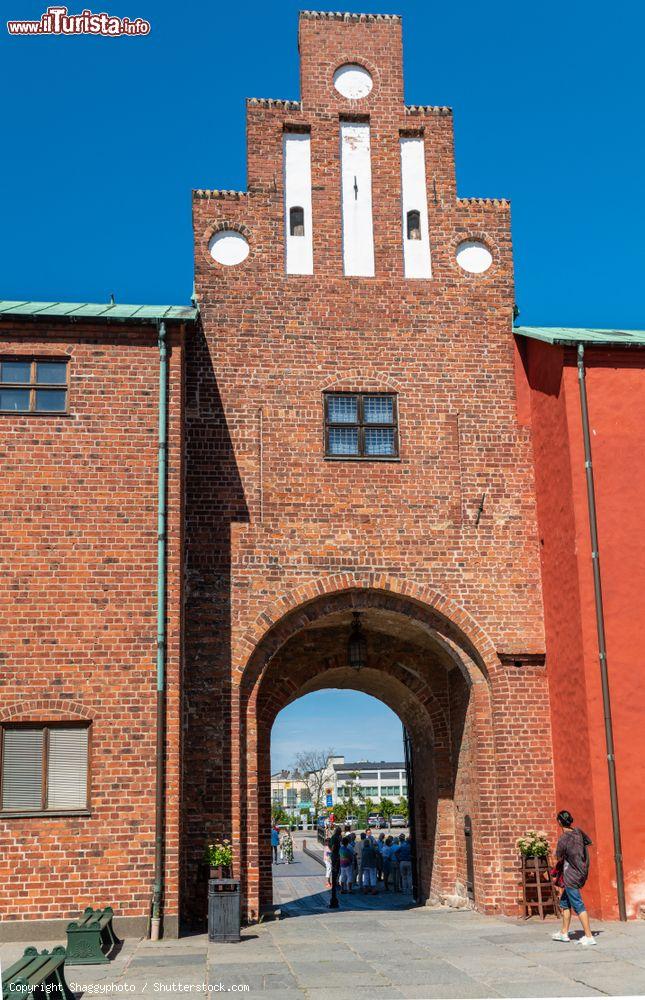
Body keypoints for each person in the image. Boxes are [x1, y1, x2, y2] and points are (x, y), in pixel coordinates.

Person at [551, 810, 595, 946]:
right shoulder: (578, 832)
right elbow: (589, 843)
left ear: (559, 822)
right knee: (565, 903)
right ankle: (564, 933)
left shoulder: (564, 838)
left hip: (571, 875)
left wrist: (556, 852)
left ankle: (589, 936)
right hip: (581, 871)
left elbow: (557, 856)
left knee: (578, 904)